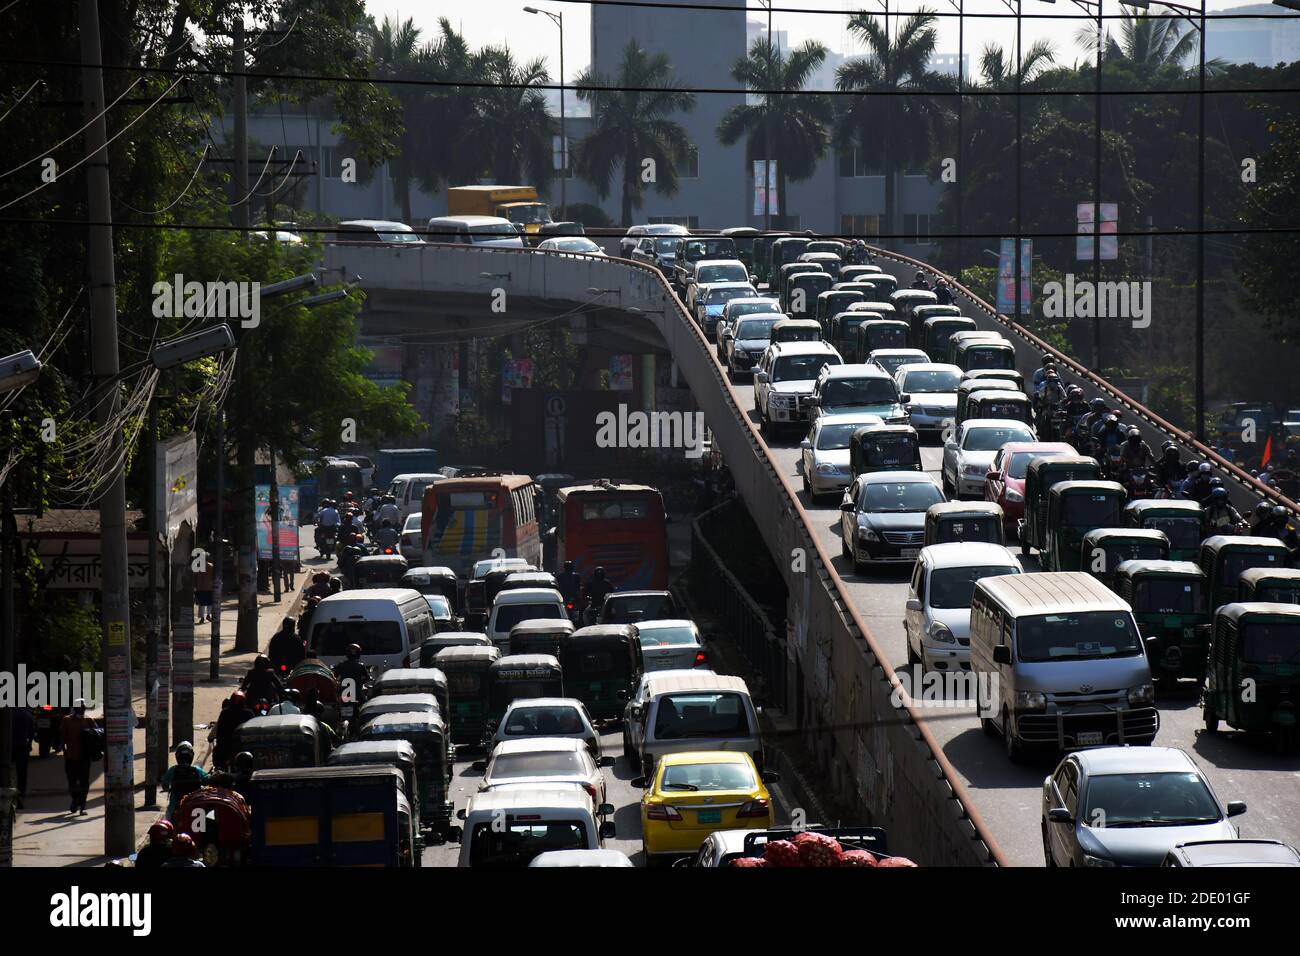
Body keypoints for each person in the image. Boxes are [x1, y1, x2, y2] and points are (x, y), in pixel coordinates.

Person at [60, 699, 96, 815]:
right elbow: (62, 738)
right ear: (74, 709)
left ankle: (82, 806)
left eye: (83, 708)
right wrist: (65, 751)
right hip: (70, 758)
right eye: (79, 708)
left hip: (85, 758)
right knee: (72, 782)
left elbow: (97, 735)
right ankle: (76, 800)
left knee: (84, 782)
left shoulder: (89, 720)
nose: (81, 710)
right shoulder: (66, 720)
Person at [161, 740, 208, 823]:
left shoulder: (172, 770)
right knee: (202, 828)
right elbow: (207, 779)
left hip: (176, 806)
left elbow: (164, 783)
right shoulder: (197, 770)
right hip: (196, 805)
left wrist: (166, 787)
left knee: (168, 823)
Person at [212, 692, 254, 770]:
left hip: (232, 746)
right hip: (237, 745)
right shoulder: (249, 713)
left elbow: (219, 732)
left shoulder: (225, 713)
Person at [9, 705, 34, 808]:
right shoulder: (27, 715)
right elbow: (31, 733)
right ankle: (20, 797)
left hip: (9, 748)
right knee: (22, 773)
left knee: (6, 771)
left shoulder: (8, 715)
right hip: (23, 747)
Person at [194, 556, 215, 624]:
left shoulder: (199, 567)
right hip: (210, 587)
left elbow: (198, 578)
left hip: (202, 588)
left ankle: (202, 617)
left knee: (202, 604)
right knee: (210, 603)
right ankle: (208, 615)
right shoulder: (211, 566)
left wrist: (197, 587)